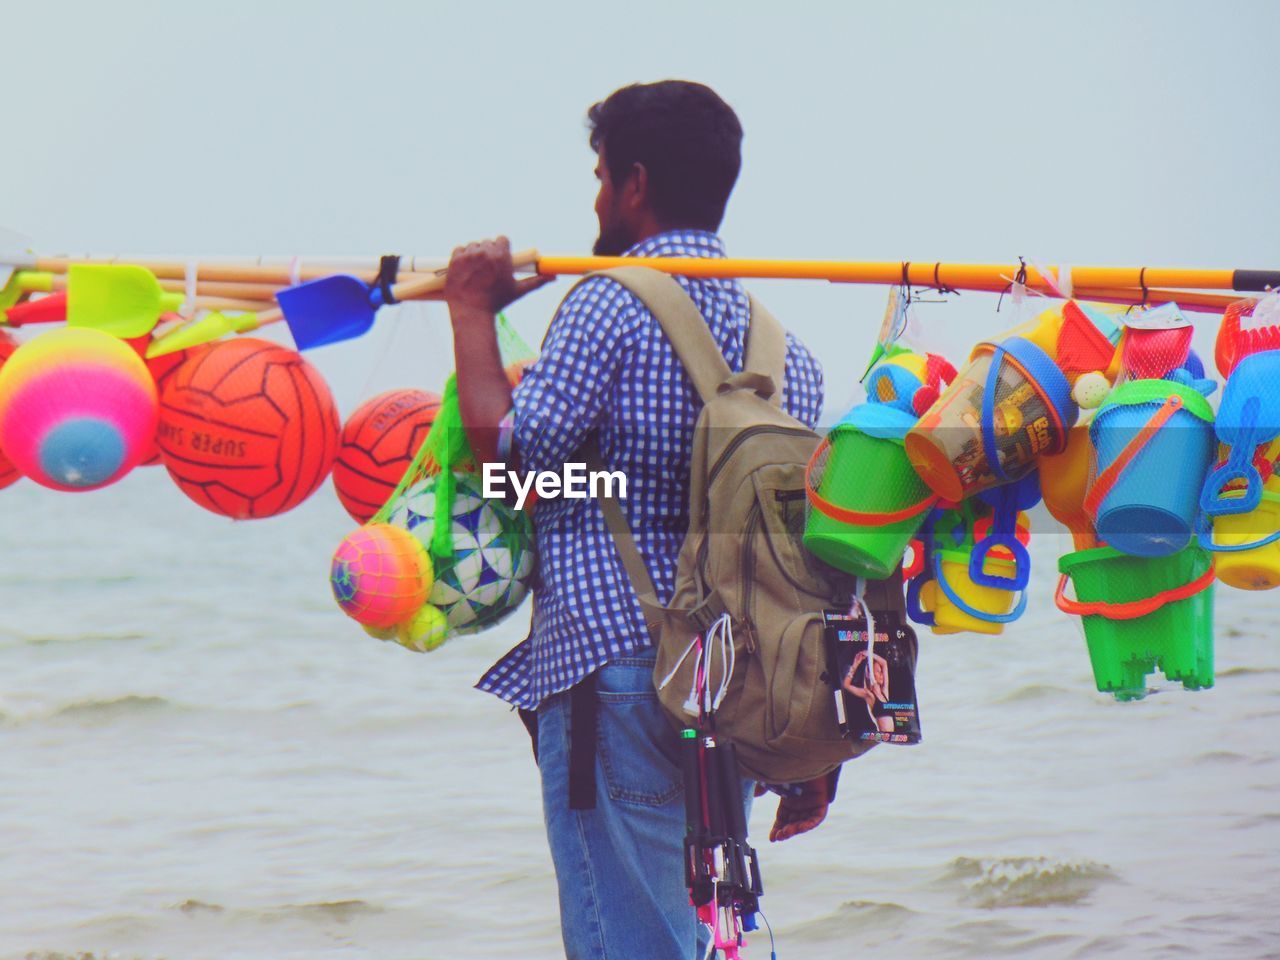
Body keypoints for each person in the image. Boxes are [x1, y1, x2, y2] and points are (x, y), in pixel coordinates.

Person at [444, 80, 834, 960]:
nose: (593, 199)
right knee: (709, 934)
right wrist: (821, 754)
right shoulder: (787, 355)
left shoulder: (608, 304)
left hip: (618, 674)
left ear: (634, 184)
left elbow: (511, 464)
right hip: (737, 688)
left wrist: (470, 311)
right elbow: (801, 548)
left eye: (599, 176)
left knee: (634, 942)